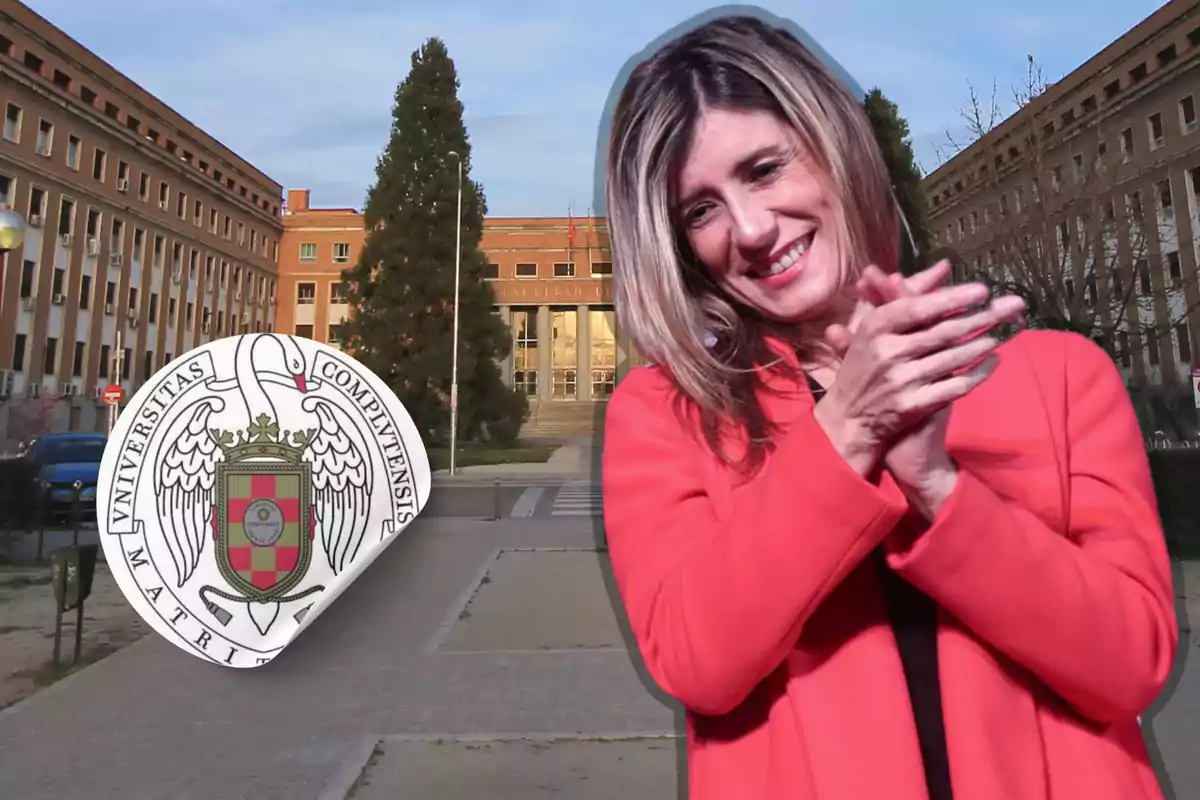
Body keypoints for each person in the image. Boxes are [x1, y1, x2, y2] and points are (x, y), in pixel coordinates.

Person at [600, 13, 1177, 800]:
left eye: (764, 169)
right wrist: (846, 433)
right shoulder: (666, 413)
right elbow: (700, 663)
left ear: (835, 145)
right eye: (699, 210)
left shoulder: (1060, 378)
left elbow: (1130, 666)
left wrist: (942, 490)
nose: (751, 229)